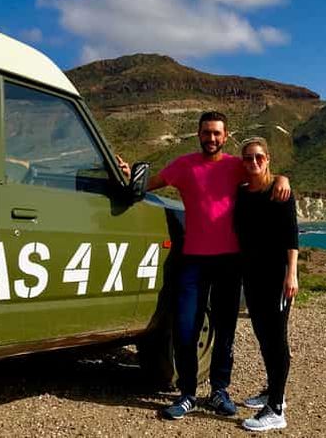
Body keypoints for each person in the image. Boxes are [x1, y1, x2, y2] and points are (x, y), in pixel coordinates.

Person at [117, 112, 290, 421]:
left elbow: (261, 173)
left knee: (225, 330)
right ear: (198, 134)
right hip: (193, 260)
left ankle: (219, 390)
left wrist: (282, 178)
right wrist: (130, 175)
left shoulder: (236, 166)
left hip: (229, 262)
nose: (211, 138)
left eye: (217, 134)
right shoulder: (183, 166)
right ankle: (186, 394)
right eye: (206, 133)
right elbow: (147, 185)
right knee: (185, 329)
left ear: (225, 137)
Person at [233, 137, 298, 432]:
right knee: (263, 335)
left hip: (276, 277)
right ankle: (271, 391)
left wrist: (292, 273)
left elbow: (290, 237)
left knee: (276, 337)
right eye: (248, 158)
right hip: (252, 276)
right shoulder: (243, 192)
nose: (254, 162)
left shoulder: (280, 191)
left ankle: (277, 408)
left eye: (259, 157)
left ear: (268, 159)